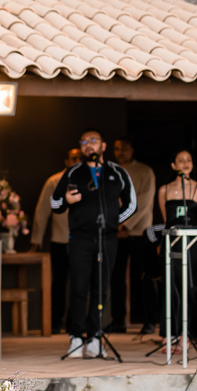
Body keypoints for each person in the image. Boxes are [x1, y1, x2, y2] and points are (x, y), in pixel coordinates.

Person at [50, 129, 137, 359]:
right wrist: (66, 201)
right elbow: (55, 202)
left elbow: (132, 203)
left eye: (94, 141)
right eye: (85, 142)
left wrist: (112, 221)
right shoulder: (73, 172)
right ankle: (76, 337)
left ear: (103, 146)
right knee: (79, 288)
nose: (89, 145)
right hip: (79, 238)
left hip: (107, 238)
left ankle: (96, 338)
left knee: (101, 288)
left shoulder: (117, 172)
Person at [155, 150, 197, 344]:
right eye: (181, 160)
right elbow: (166, 220)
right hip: (172, 241)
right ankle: (169, 332)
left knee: (190, 286)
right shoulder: (164, 189)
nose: (185, 163)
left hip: (192, 243)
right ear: (173, 165)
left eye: (189, 160)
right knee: (170, 285)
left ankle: (189, 332)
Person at [30, 147, 82, 333]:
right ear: (66, 161)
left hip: (82, 240)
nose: (76, 161)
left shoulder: (90, 178)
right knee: (59, 283)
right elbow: (42, 211)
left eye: (80, 158)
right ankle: (55, 322)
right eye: (73, 158)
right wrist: (36, 239)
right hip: (60, 239)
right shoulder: (54, 181)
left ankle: (75, 324)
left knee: (80, 284)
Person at [109, 138, 158, 334]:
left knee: (143, 277)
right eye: (117, 148)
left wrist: (125, 225)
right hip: (115, 233)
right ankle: (118, 321)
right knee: (116, 277)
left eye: (124, 149)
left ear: (132, 150)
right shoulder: (110, 171)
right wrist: (115, 227)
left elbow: (144, 203)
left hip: (139, 232)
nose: (120, 152)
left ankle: (149, 321)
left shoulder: (145, 171)